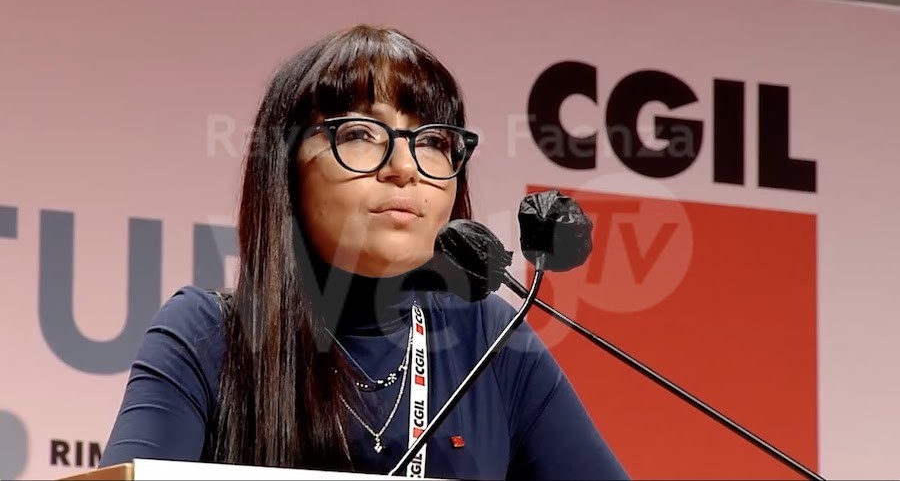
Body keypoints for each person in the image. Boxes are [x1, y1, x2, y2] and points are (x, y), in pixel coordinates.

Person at [98, 24, 629, 480]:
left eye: (432, 141)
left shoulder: (490, 337)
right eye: (359, 133)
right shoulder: (206, 335)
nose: (405, 168)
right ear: (285, 167)